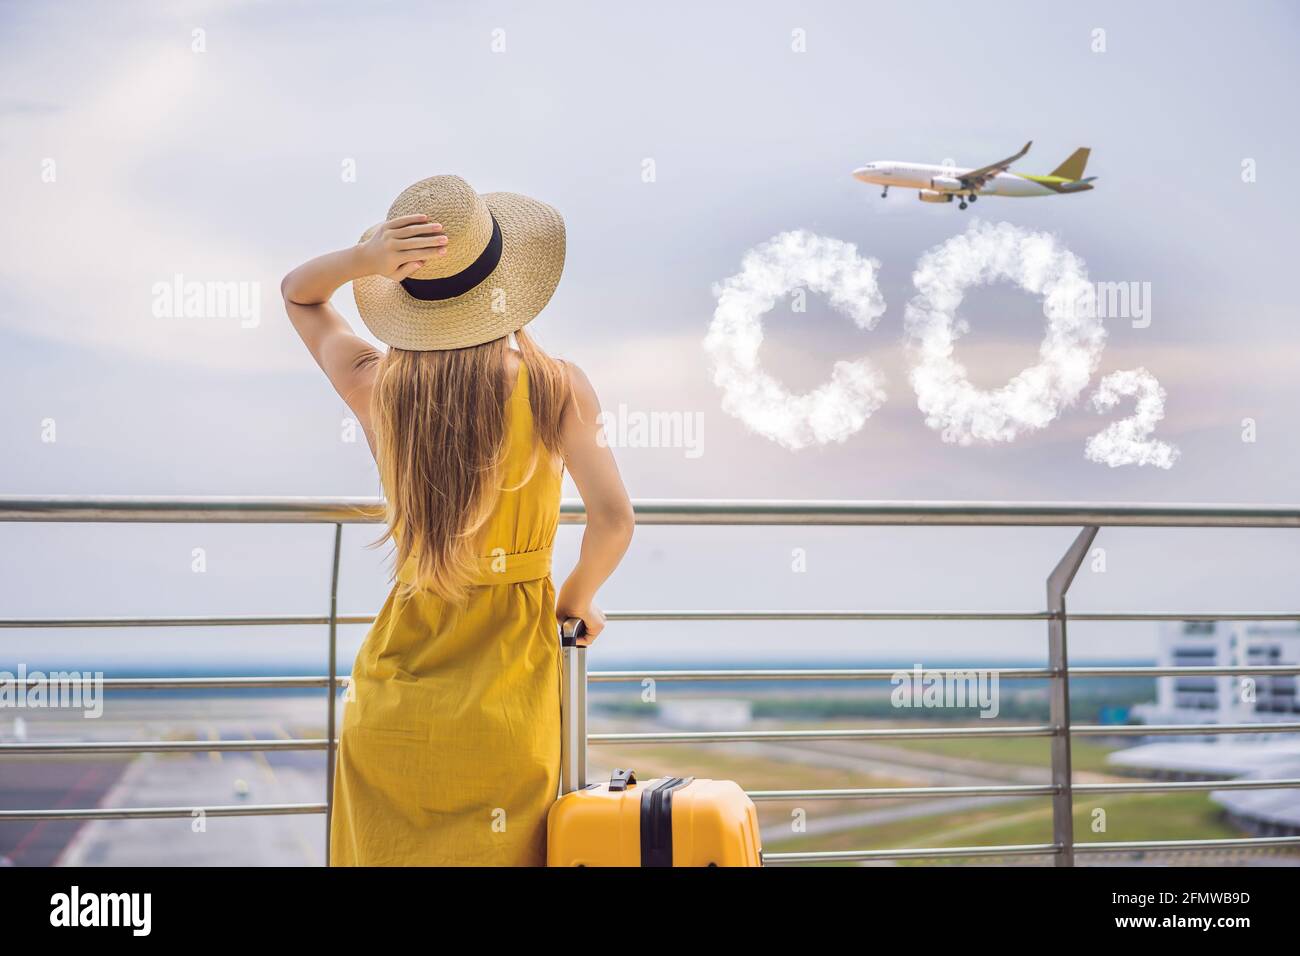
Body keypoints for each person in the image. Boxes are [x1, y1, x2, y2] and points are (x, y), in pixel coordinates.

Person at [280, 175, 634, 865]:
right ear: (508, 282)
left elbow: (300, 293)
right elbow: (614, 521)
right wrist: (574, 602)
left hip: (395, 695)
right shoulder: (557, 385)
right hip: (512, 683)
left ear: (405, 298)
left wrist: (366, 260)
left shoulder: (374, 384)